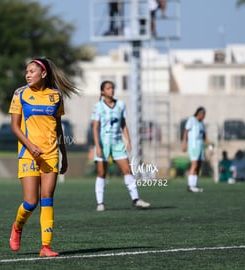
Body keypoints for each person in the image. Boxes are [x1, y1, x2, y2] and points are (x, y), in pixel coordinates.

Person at [8, 58, 79, 257]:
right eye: (26, 72)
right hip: (28, 154)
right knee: (31, 202)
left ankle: (45, 247)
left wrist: (63, 154)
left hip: (50, 154)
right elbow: (14, 126)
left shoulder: (55, 96)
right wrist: (30, 146)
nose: (28, 75)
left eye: (32, 71)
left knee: (47, 198)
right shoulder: (20, 94)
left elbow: (57, 127)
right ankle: (18, 226)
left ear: (44, 74)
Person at [92, 80, 150, 211]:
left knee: (127, 170)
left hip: (118, 143)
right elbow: (95, 127)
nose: (111, 90)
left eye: (112, 88)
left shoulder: (121, 105)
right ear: (102, 91)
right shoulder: (98, 107)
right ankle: (100, 203)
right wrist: (98, 146)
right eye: (108, 88)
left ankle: (136, 199)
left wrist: (128, 140)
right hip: (103, 143)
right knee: (102, 172)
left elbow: (123, 124)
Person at [182, 106, 210, 192]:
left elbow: (204, 135)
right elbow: (186, 131)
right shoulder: (191, 120)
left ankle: (194, 184)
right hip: (193, 146)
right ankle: (190, 185)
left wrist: (209, 146)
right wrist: (184, 143)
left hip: (200, 146)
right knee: (194, 164)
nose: (204, 116)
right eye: (203, 114)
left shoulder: (201, 123)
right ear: (199, 113)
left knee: (199, 165)